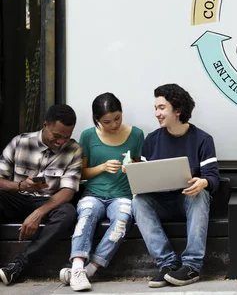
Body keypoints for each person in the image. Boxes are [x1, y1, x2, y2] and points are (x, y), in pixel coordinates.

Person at [132, 84, 219, 288]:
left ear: (177, 110)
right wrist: (134, 173)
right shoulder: (152, 140)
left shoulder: (203, 140)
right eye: (156, 108)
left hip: (188, 200)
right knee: (138, 201)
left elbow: (213, 177)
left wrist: (203, 182)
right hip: (161, 201)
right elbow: (145, 178)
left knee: (201, 194)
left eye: (161, 108)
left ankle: (191, 266)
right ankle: (167, 264)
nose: (157, 113)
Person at [59, 93, 144, 291]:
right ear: (96, 119)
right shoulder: (88, 136)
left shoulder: (137, 134)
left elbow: (140, 172)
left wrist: (131, 167)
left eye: (118, 118)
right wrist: (103, 167)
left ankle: (90, 270)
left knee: (121, 222)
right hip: (94, 194)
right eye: (107, 121)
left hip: (123, 195)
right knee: (86, 216)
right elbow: (80, 173)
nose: (114, 125)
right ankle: (78, 266)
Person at [0, 104, 82, 286]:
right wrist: (20, 185)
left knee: (68, 213)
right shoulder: (20, 142)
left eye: (66, 137)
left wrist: (39, 213)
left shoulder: (74, 150)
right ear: (45, 125)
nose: (61, 142)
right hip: (16, 197)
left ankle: (19, 265)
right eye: (56, 136)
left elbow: (68, 191)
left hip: (47, 202)